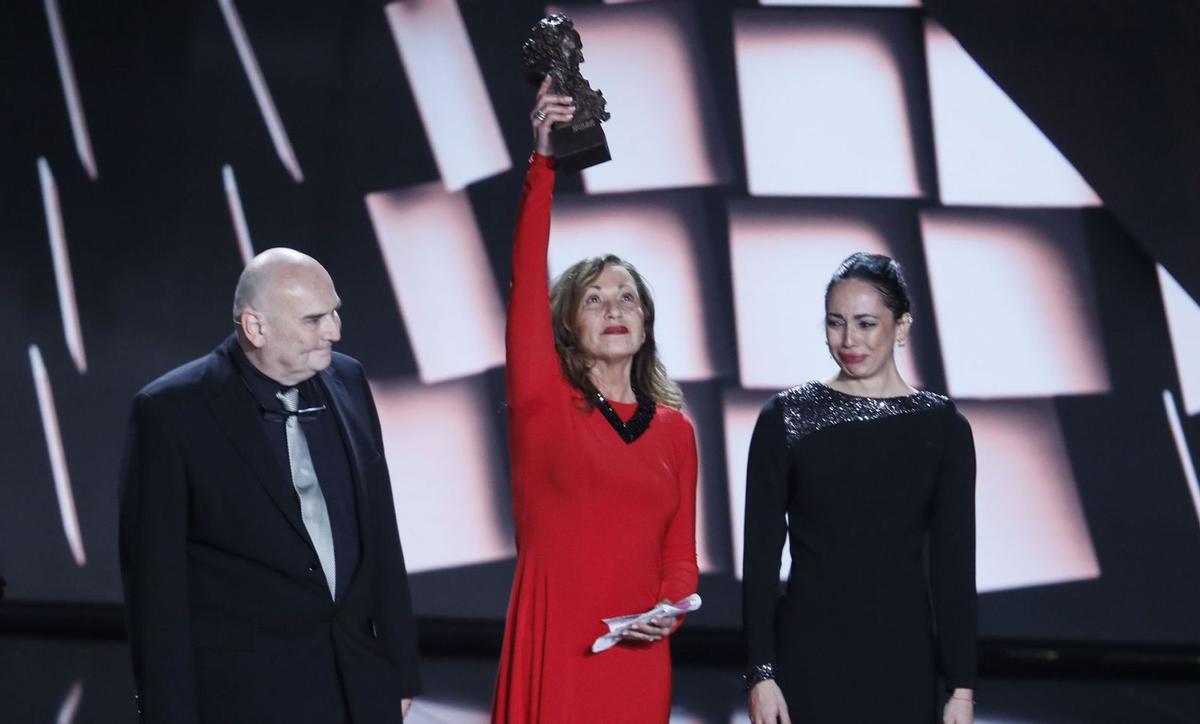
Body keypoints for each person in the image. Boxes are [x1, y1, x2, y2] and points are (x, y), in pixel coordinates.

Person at [118, 248, 421, 723]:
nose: (334, 331)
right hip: (245, 697)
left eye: (335, 312)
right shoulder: (171, 412)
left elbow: (381, 529)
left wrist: (401, 672)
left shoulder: (349, 380)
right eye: (314, 319)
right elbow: (156, 592)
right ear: (255, 327)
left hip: (359, 684)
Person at [490, 79, 699, 723]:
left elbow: (679, 557)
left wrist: (669, 611)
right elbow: (528, 273)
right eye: (594, 299)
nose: (615, 309)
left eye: (627, 297)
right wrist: (543, 163)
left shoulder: (676, 430)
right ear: (565, 326)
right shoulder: (542, 402)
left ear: (646, 322)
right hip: (556, 651)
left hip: (637, 660)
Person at [742, 253, 977, 724]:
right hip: (807, 657)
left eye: (866, 323)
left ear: (902, 325)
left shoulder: (943, 427)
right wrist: (760, 674)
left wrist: (962, 687)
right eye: (836, 322)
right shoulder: (786, 417)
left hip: (903, 660)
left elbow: (953, 565)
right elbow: (760, 559)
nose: (848, 340)